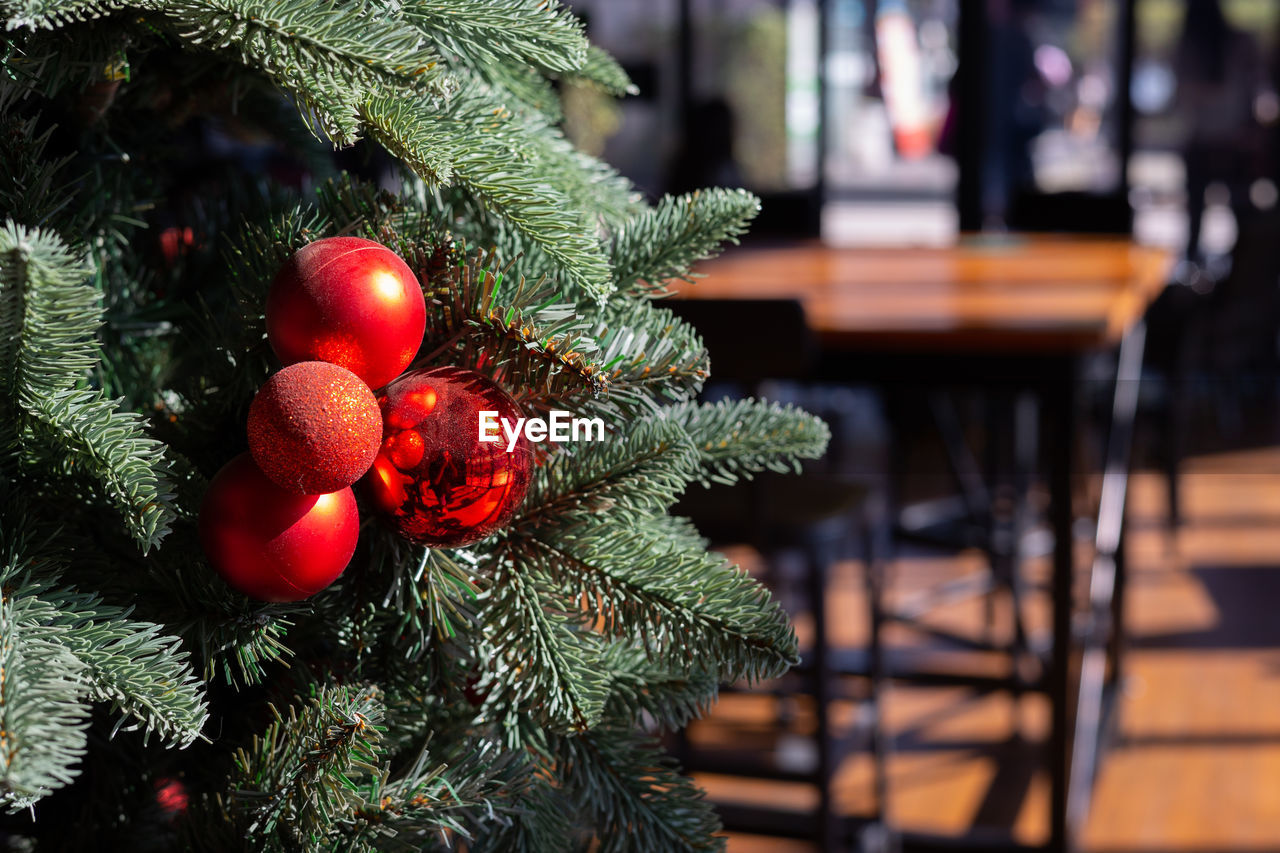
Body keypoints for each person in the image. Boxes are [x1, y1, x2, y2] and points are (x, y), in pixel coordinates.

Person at [1173, 0, 1267, 265]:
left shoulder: (1191, 49)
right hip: (1226, 143)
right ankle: (1240, 272)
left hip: (1214, 143)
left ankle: (1238, 274)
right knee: (1234, 216)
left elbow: (1182, 100)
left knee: (1227, 216)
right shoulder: (1232, 45)